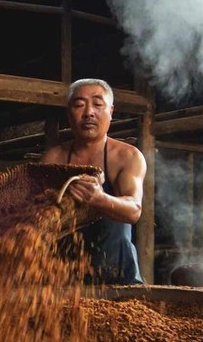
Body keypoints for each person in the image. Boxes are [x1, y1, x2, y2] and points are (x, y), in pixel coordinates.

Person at [41, 78, 146, 285]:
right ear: (69, 112)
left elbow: (134, 210)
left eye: (98, 105)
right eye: (79, 105)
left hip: (117, 277)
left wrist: (100, 199)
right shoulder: (54, 157)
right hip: (63, 277)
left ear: (111, 111)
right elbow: (32, 205)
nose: (89, 112)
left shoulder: (126, 156)